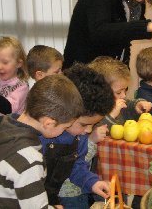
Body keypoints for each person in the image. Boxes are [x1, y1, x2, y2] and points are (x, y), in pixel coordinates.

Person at [0, 74, 85, 208]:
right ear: (49, 123)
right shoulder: (30, 158)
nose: (66, 130)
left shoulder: (0, 128)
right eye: (66, 127)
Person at [39, 63, 115, 208]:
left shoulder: (79, 136)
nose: (88, 131)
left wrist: (92, 182)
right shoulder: (40, 135)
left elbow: (76, 166)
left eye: (93, 124)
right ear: (66, 110)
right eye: (84, 124)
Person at [89, 56, 152, 128]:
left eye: (125, 89)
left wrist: (137, 105)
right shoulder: (92, 111)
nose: (124, 95)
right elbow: (95, 132)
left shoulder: (116, 102)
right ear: (100, 91)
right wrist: (112, 115)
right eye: (118, 92)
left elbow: (128, 105)